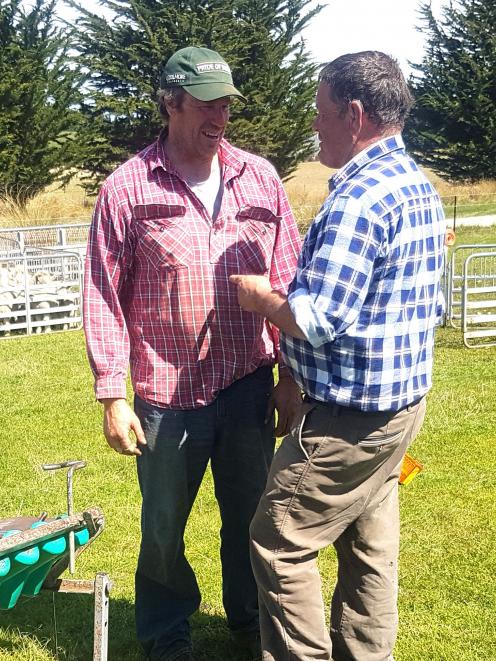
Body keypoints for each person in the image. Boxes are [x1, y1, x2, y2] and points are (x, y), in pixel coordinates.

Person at [83, 46, 302, 661]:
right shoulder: (127, 188)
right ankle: (165, 634)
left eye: (227, 102)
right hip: (166, 395)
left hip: (250, 382)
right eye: (207, 103)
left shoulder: (259, 177)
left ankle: (251, 619)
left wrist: (292, 376)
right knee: (162, 530)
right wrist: (111, 393)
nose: (220, 115)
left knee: (254, 517)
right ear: (171, 103)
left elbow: (289, 277)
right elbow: (102, 292)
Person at [230, 51, 446, 661]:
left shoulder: (359, 197)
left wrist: (259, 297)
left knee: (278, 541)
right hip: (398, 409)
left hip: (348, 419)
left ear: (354, 114)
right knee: (370, 550)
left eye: (322, 113)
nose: (314, 126)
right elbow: (428, 305)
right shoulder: (415, 186)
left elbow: (315, 319)